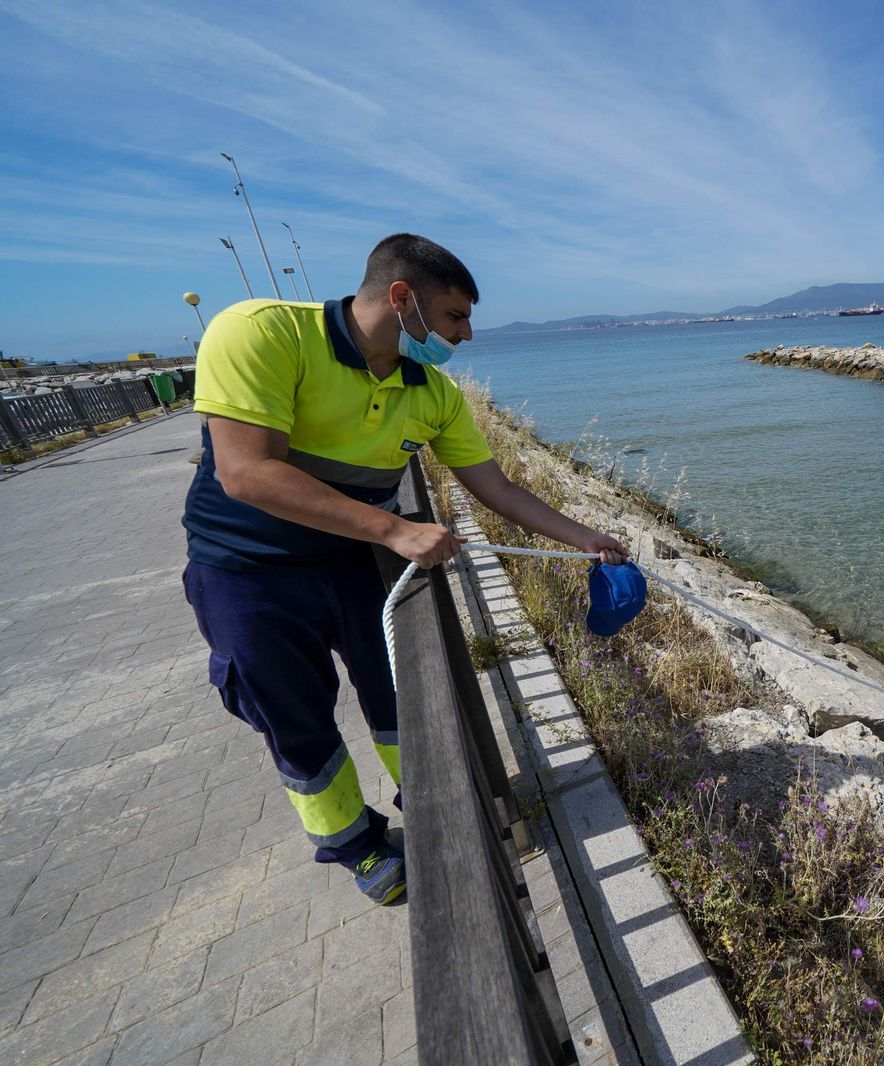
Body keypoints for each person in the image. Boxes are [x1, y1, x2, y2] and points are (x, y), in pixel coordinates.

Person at [182, 233, 625, 905]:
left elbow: (497, 488)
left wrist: (586, 538)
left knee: (403, 701)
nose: (466, 334)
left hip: (357, 563)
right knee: (294, 720)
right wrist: (396, 529)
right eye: (455, 316)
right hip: (247, 572)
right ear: (401, 298)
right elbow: (246, 473)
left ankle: (433, 806)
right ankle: (355, 844)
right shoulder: (261, 332)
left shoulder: (432, 392)